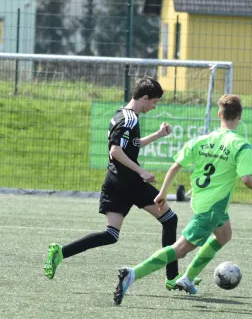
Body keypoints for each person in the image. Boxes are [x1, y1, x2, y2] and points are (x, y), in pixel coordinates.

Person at [44, 76, 200, 290]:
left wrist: (157, 135)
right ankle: (172, 277)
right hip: (130, 183)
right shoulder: (130, 120)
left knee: (111, 235)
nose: (155, 107)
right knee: (170, 219)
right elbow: (115, 151)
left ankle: (61, 252)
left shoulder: (122, 113)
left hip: (115, 181)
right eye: (154, 102)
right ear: (144, 98)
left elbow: (130, 146)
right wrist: (141, 171)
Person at [113, 94, 252, 306]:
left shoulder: (201, 140)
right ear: (239, 116)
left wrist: (163, 192)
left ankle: (187, 278)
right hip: (213, 207)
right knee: (180, 250)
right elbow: (247, 178)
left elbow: (176, 165)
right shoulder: (241, 145)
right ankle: (133, 273)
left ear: (219, 114)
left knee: (224, 235)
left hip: (204, 203)